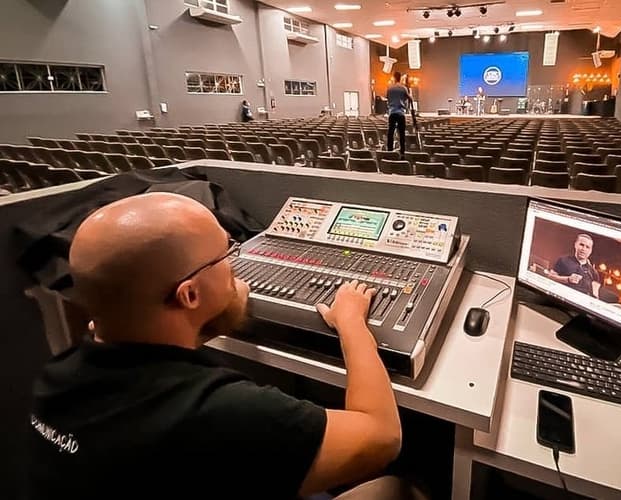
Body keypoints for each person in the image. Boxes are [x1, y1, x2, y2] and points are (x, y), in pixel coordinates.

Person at [27, 193, 411, 499]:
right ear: (189, 294)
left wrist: (214, 304)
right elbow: (381, 436)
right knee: (394, 489)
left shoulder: (56, 378)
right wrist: (351, 324)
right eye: (226, 255)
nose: (233, 262)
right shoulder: (225, 413)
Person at [545, 233, 602, 298]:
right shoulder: (563, 260)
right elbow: (550, 277)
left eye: (587, 247)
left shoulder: (594, 272)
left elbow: (595, 295)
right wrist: (568, 279)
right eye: (581, 245)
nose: (583, 249)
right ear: (575, 245)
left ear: (590, 251)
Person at [386, 71, 411, 158]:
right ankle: (402, 152)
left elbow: (388, 99)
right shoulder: (403, 88)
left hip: (392, 112)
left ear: (394, 77)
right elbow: (409, 98)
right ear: (400, 78)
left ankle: (389, 151)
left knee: (390, 132)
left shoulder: (389, 88)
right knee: (401, 133)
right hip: (400, 113)